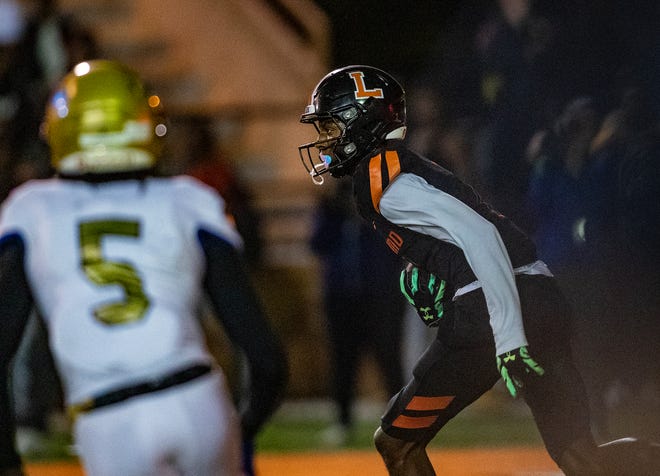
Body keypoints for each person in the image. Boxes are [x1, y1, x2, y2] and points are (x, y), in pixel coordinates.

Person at [297, 65, 659, 475]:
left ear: (360, 121)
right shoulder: (405, 170)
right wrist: (423, 271)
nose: (325, 142)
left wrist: (507, 336)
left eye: (330, 127)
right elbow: (465, 234)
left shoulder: (383, 178)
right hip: (540, 296)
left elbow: (481, 235)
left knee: (396, 443)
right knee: (582, 457)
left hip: (491, 314)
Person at [0, 59, 287, 476]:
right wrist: (240, 430)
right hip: (198, 399)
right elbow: (266, 358)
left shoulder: (32, 210)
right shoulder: (188, 200)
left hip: (110, 418)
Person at [310, 177, 405, 445]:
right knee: (343, 362)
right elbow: (317, 243)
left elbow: (395, 246)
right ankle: (342, 421)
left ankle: (400, 421)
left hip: (379, 294)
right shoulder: (330, 207)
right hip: (342, 296)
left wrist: (367, 218)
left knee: (388, 358)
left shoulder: (380, 203)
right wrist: (334, 213)